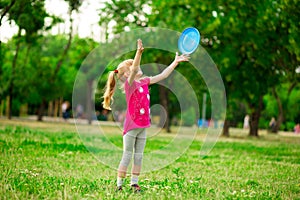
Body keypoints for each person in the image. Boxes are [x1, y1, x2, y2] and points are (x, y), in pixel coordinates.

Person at [102, 39, 189, 192]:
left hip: (143, 126)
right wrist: (138, 52)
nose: (138, 66)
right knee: (127, 155)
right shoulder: (130, 85)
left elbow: (162, 75)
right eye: (134, 65)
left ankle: (134, 183)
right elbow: (134, 68)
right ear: (128, 73)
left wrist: (175, 62)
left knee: (139, 156)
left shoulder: (144, 82)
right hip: (131, 127)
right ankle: (119, 185)